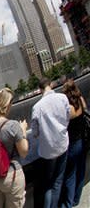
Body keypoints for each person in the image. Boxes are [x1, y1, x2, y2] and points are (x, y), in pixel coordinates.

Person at [0, 88, 29, 208]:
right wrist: (23, 130)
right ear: (7, 104)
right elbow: (23, 152)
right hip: (11, 175)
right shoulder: (13, 125)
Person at [31, 77, 71, 208]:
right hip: (63, 144)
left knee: (48, 183)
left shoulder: (37, 107)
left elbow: (35, 132)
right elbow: (67, 117)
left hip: (48, 152)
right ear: (51, 85)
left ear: (40, 89)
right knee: (58, 181)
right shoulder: (63, 98)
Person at [59, 79, 87, 208]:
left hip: (72, 144)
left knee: (70, 175)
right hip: (83, 141)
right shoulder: (81, 102)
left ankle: (68, 203)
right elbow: (85, 109)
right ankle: (76, 199)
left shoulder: (68, 109)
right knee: (81, 171)